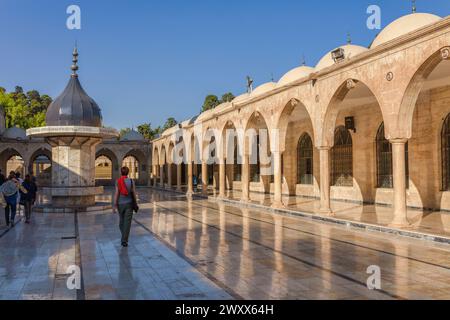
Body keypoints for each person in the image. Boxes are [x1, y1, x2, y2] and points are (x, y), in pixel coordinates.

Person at [113, 167, 137, 247]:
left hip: (120, 204)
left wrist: (115, 205)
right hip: (129, 203)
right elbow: (133, 193)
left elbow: (116, 194)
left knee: (122, 221)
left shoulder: (118, 181)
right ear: (128, 172)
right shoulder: (131, 181)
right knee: (126, 223)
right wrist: (136, 202)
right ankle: (124, 238)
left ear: (121, 172)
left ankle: (124, 239)